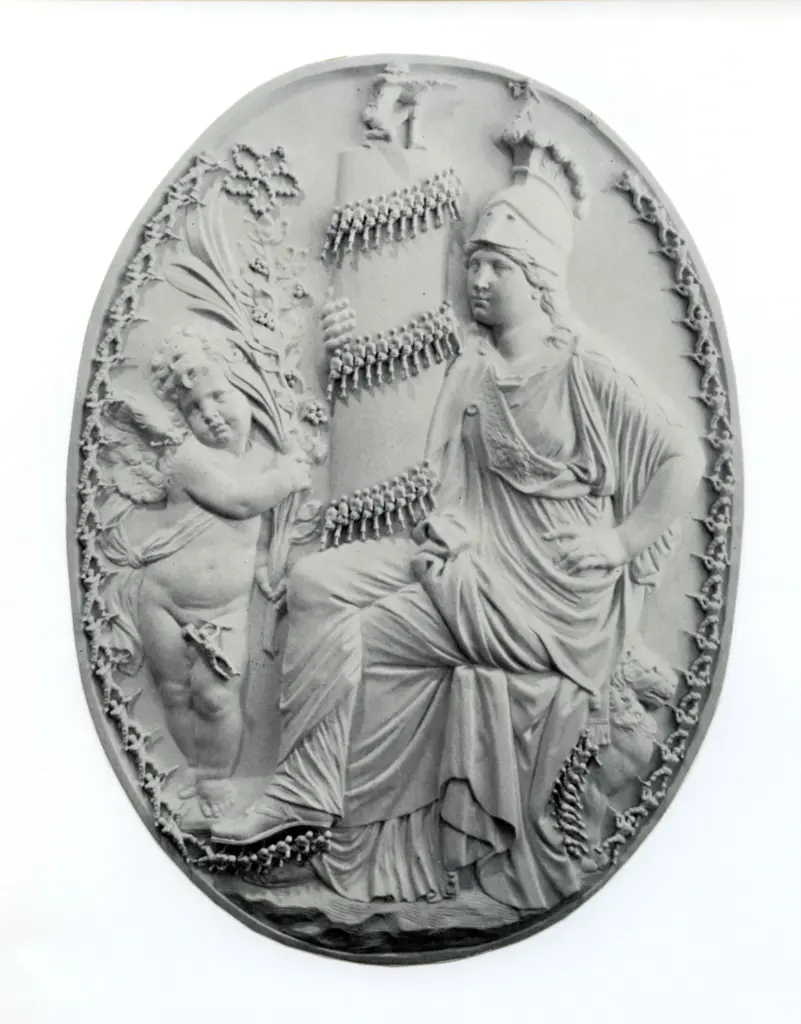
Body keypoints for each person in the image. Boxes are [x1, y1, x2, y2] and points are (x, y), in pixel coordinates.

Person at [213, 143, 704, 912]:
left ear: (537, 275)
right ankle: (302, 797)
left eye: (495, 265)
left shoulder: (586, 369)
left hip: (548, 602)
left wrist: (618, 542)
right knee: (315, 581)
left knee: (360, 640)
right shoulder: (472, 370)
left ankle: (339, 822)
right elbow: (419, 473)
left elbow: (683, 458)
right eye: (472, 263)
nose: (476, 279)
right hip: (472, 565)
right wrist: (334, 356)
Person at [100, 330, 310, 826]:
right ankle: (193, 767)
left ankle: (216, 775)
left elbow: (254, 536)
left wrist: (267, 570)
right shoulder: (190, 458)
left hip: (223, 610)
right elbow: (238, 502)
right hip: (162, 600)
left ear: (245, 388)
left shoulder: (264, 459)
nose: (209, 413)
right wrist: (287, 477)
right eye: (193, 408)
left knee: (216, 698)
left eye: (218, 395)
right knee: (174, 693)